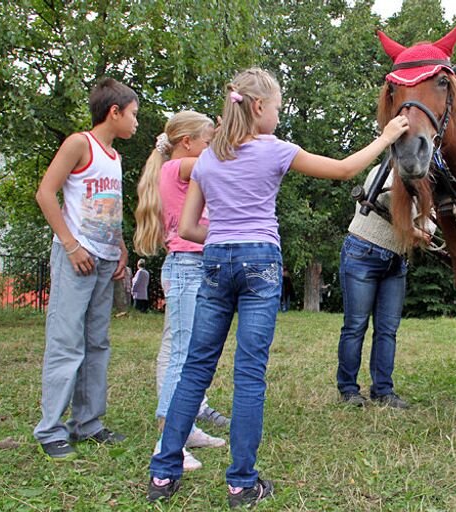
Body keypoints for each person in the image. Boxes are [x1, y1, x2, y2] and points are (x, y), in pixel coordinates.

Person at [147, 67, 408, 507]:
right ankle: (241, 482)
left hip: (214, 261)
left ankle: (163, 474)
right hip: (260, 263)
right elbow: (345, 170)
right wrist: (388, 135)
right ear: (259, 107)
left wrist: (227, 237)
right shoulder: (275, 150)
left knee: (195, 368)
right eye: (279, 108)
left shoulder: (208, 159)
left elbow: (189, 227)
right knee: (249, 372)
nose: (279, 116)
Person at [33, 77, 137, 461]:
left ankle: (88, 423)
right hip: (76, 257)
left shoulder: (115, 156)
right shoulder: (80, 144)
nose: (136, 123)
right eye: (133, 115)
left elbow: (109, 205)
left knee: (97, 344)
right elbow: (46, 192)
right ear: (114, 112)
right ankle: (50, 430)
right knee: (66, 342)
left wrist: (121, 246)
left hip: (105, 259)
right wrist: (71, 245)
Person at [134, 111, 228, 472]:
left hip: (194, 266)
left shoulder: (175, 168)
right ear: (186, 143)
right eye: (205, 140)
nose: (210, 146)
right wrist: (228, 134)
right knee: (182, 355)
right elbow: (218, 159)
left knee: (186, 349)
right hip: (188, 267)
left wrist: (217, 135)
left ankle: (184, 427)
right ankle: (166, 440)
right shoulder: (178, 168)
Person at [337, 165, 434, 409]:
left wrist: (419, 228)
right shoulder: (385, 171)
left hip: (396, 260)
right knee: (355, 326)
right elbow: (393, 204)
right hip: (363, 252)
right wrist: (414, 229)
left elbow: (429, 226)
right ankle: (348, 389)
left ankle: (383, 390)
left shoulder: (426, 183)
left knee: (387, 330)